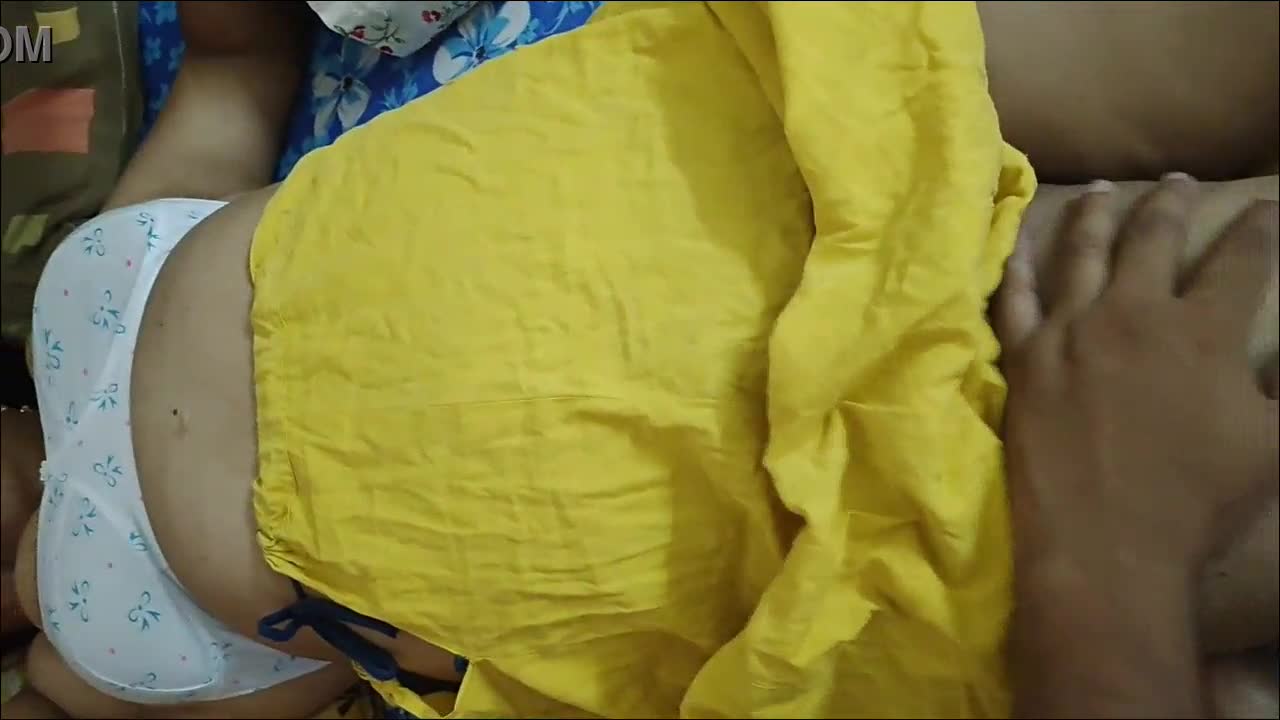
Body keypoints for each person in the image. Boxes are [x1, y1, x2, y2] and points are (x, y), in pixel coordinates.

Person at [0, 1, 1276, 718]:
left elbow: (230, 83)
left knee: (1167, 50)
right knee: (1195, 331)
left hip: (722, 130)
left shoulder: (74, 288)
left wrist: (235, 35)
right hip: (829, 506)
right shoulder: (79, 665)